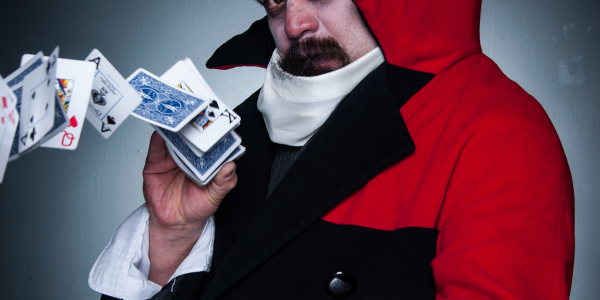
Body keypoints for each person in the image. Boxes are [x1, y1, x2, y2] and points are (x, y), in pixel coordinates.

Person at [89, 0, 575, 299]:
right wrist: (171, 238)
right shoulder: (235, 131)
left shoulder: (499, 134)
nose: (295, 22)